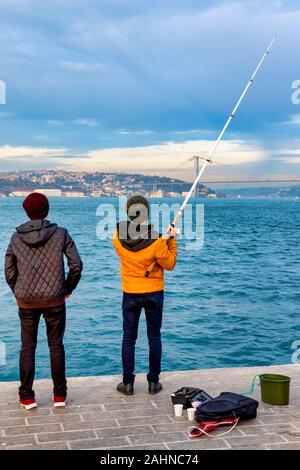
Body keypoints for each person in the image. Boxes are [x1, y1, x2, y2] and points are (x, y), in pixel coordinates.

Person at [4, 192, 83, 410]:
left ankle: (27, 398)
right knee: (56, 346)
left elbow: (8, 269)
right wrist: (67, 288)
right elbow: (76, 264)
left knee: (27, 347)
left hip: (26, 301)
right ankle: (59, 396)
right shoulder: (60, 233)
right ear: (46, 210)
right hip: (55, 300)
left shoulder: (16, 237)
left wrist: (18, 291)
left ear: (26, 212)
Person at [113, 195, 177, 395]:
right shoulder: (157, 240)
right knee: (154, 337)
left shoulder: (118, 237)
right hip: (153, 293)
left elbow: (137, 250)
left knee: (128, 337)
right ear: (147, 213)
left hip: (130, 292)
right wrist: (171, 240)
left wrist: (161, 240)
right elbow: (170, 264)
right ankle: (153, 383)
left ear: (129, 214)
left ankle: (128, 383)